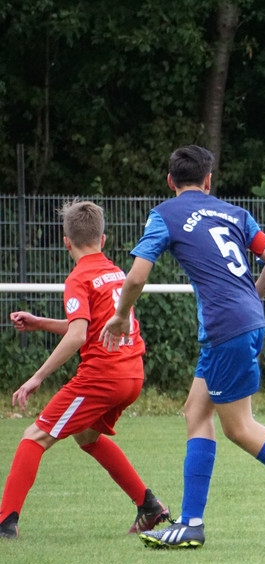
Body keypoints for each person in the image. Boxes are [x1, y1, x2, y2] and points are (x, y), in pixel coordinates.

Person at [99, 145, 265, 549]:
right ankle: (192, 522)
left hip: (226, 327)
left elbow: (135, 278)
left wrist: (119, 316)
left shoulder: (165, 214)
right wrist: (252, 300)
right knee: (196, 411)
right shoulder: (235, 213)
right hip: (242, 322)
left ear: (170, 181)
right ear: (208, 180)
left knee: (239, 427)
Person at [0, 200, 169, 539]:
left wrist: (36, 378)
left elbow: (78, 335)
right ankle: (149, 506)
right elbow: (88, 326)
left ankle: (5, 523)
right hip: (132, 374)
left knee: (34, 437)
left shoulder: (79, 277)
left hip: (102, 377)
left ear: (66, 242)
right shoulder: (115, 272)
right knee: (87, 436)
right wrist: (40, 322)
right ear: (102, 239)